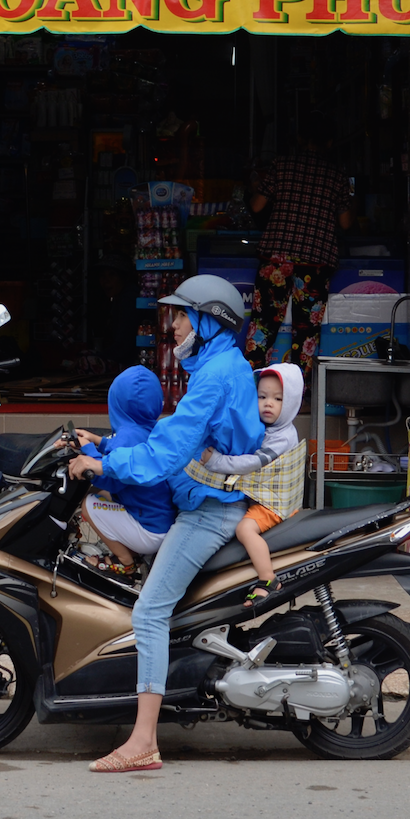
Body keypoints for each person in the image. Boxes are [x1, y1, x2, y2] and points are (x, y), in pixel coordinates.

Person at [66, 275, 264, 774]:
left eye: (179, 316)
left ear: (207, 320)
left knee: (149, 614)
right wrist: (109, 446)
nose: (171, 326)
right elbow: (172, 440)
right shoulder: (222, 366)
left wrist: (102, 466)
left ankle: (143, 742)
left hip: (208, 512)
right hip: (209, 499)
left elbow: (162, 456)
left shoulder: (215, 376)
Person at [244, 137, 354, 380]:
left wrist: (254, 188)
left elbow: (257, 206)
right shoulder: (336, 175)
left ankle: (251, 383)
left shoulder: (281, 166)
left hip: (277, 257)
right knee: (306, 331)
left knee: (263, 323)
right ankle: (298, 391)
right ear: (328, 144)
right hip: (315, 260)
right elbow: (346, 223)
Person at [200, 362, 304, 605]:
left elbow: (250, 463)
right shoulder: (268, 428)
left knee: (244, 530)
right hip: (262, 495)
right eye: (262, 396)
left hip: (274, 503)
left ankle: (268, 579)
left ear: (290, 403)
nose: (268, 403)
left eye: (278, 399)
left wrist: (216, 461)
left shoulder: (282, 437)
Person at [74, 367, 172, 581]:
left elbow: (112, 477)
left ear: (116, 403)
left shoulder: (127, 434)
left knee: (89, 505)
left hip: (149, 530)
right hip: (159, 521)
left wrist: (88, 451)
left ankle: (125, 561)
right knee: (106, 498)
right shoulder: (149, 430)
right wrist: (97, 440)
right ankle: (130, 551)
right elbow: (121, 455)